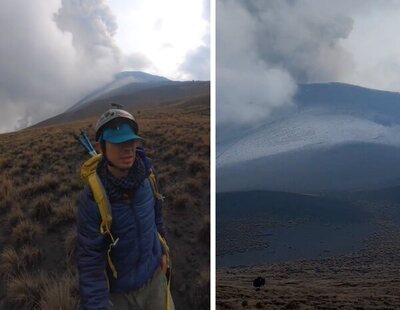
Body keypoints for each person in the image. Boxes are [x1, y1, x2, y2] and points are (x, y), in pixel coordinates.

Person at [77, 107, 174, 309]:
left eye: (131, 141)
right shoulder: (94, 198)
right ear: (101, 147)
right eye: (118, 142)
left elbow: (156, 217)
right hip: (120, 295)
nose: (128, 148)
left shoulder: (148, 177)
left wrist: (163, 252)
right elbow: (90, 261)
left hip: (155, 280)